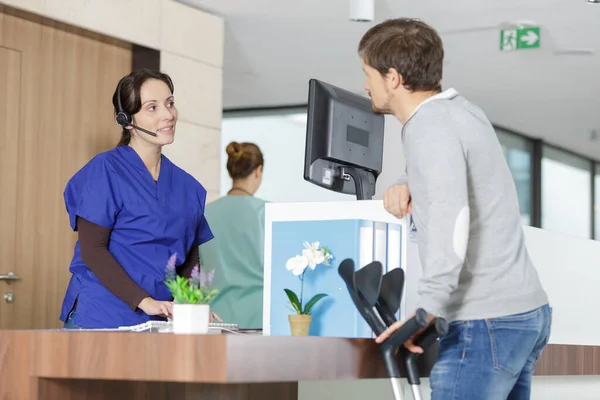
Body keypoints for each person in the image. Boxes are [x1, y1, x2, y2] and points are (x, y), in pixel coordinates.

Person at [359, 19, 551, 399]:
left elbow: (453, 216)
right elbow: (460, 174)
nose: (365, 85)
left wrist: (426, 309)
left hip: (485, 321)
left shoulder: (428, 127)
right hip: (524, 314)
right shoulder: (462, 112)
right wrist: (407, 180)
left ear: (393, 78)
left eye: (368, 74)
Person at [59, 69, 214, 329]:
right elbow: (93, 251)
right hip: (101, 315)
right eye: (152, 108)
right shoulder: (105, 171)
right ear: (126, 119)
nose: (168, 115)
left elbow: (190, 259)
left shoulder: (188, 186)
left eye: (170, 103)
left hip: (158, 322)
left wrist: (192, 305)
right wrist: (143, 300)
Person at [199, 142, 267, 329]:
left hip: (217, 319)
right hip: (260, 319)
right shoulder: (268, 212)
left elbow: (196, 272)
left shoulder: (205, 214)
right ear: (258, 171)